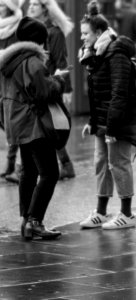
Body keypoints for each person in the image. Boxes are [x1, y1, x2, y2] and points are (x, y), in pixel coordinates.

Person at [0, 16, 69, 239]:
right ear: (39, 40)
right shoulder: (33, 61)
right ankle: (35, 221)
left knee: (28, 171)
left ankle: (25, 221)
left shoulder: (8, 63)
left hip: (16, 123)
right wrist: (59, 81)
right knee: (50, 173)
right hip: (34, 124)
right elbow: (43, 92)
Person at [78, 1, 136, 230]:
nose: (82, 38)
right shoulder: (96, 54)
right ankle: (102, 212)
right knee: (101, 164)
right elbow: (98, 94)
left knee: (119, 164)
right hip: (104, 120)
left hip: (120, 121)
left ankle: (127, 214)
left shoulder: (115, 53)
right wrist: (93, 122)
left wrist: (112, 129)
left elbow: (119, 93)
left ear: (98, 33)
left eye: (85, 33)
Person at [27, 0, 76, 180]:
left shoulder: (54, 32)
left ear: (45, 10)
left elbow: (62, 62)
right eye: (30, 4)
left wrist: (67, 89)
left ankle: (64, 165)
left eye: (35, 4)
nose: (30, 7)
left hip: (49, 84)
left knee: (51, 125)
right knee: (44, 125)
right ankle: (64, 165)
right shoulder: (29, 30)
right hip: (35, 84)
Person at [0, 0, 23, 183]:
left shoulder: (18, 27)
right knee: (6, 122)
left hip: (11, 80)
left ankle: (13, 166)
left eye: (2, 5)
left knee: (12, 122)